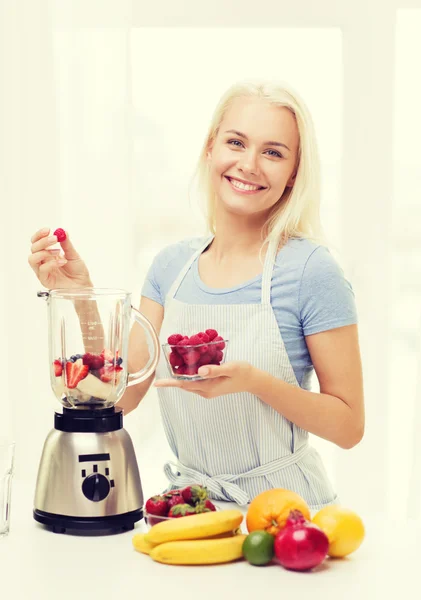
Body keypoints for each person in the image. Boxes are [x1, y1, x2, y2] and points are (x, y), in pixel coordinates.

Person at [28, 79, 364, 510]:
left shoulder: (313, 272)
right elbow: (122, 393)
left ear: (294, 172)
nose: (249, 164)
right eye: (236, 142)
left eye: (273, 152)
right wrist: (79, 297)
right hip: (194, 507)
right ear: (210, 149)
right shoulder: (170, 266)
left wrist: (254, 383)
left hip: (289, 514)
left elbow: (349, 426)